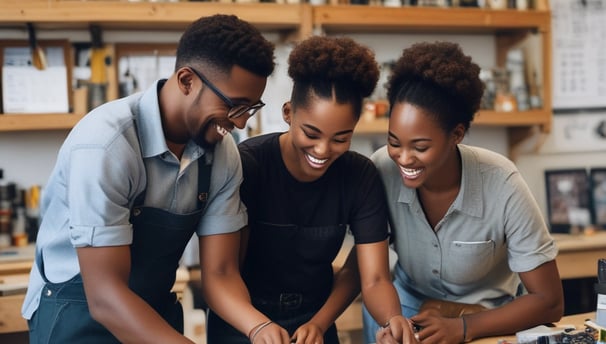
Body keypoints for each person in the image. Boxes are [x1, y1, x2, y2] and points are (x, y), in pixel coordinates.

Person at [22, 14, 275, 344]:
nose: (240, 123)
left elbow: (221, 273)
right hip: (79, 314)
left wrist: (260, 328)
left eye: (250, 108)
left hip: (152, 313)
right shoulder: (107, 145)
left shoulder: (222, 154)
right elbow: (105, 296)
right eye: (233, 106)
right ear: (187, 81)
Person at [203, 36, 417, 344]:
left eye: (340, 138)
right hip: (241, 319)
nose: (323, 150)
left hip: (313, 322)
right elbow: (221, 274)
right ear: (289, 113)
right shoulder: (246, 166)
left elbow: (373, 278)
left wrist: (391, 319)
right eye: (311, 133)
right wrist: (259, 327)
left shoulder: (360, 176)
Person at [364, 41, 564, 343]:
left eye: (420, 147)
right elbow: (374, 276)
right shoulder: (381, 169)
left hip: (486, 317)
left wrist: (463, 328)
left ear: (456, 134)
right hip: (402, 310)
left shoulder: (502, 182)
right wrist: (393, 324)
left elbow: (549, 302)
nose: (404, 158)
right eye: (394, 142)